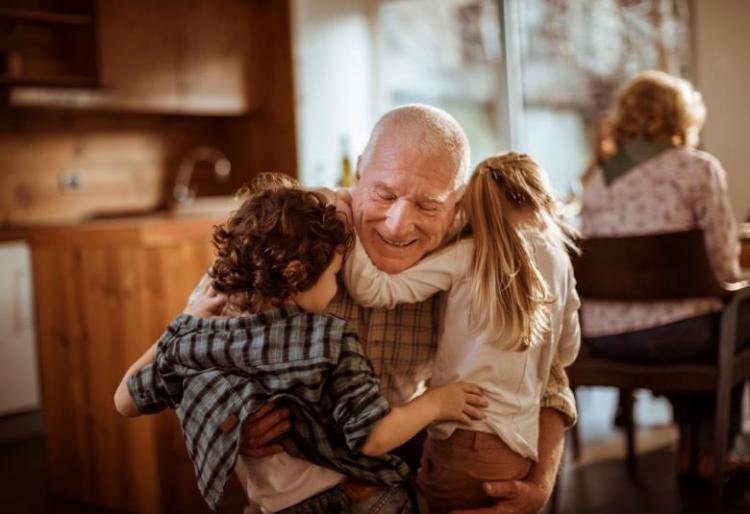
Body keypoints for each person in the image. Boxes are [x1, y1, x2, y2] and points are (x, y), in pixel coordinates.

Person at [193, 105, 578, 514]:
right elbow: (189, 353)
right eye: (385, 194)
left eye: (428, 205)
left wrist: (539, 482)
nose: (398, 225)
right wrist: (231, 426)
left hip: (395, 476)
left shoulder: (470, 254)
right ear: (358, 173)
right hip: (287, 494)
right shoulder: (295, 232)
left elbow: (549, 373)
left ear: (458, 203)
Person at [113, 178, 488, 513]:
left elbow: (125, 400)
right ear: (296, 274)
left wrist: (182, 325)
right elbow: (373, 436)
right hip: (359, 500)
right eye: (335, 275)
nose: (337, 287)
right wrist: (438, 402)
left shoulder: (201, 337)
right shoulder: (328, 339)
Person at [342, 152, 581, 512]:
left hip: (460, 438)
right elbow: (566, 354)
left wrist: (346, 217)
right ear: (542, 198)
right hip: (517, 447)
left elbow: (373, 290)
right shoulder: (561, 262)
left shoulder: (467, 254)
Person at [579, 70, 750, 482]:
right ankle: (712, 451)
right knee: (731, 318)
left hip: (604, 338)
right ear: (681, 118)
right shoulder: (697, 168)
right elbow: (724, 266)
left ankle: (692, 448)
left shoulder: (597, 180)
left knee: (702, 323)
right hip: (679, 337)